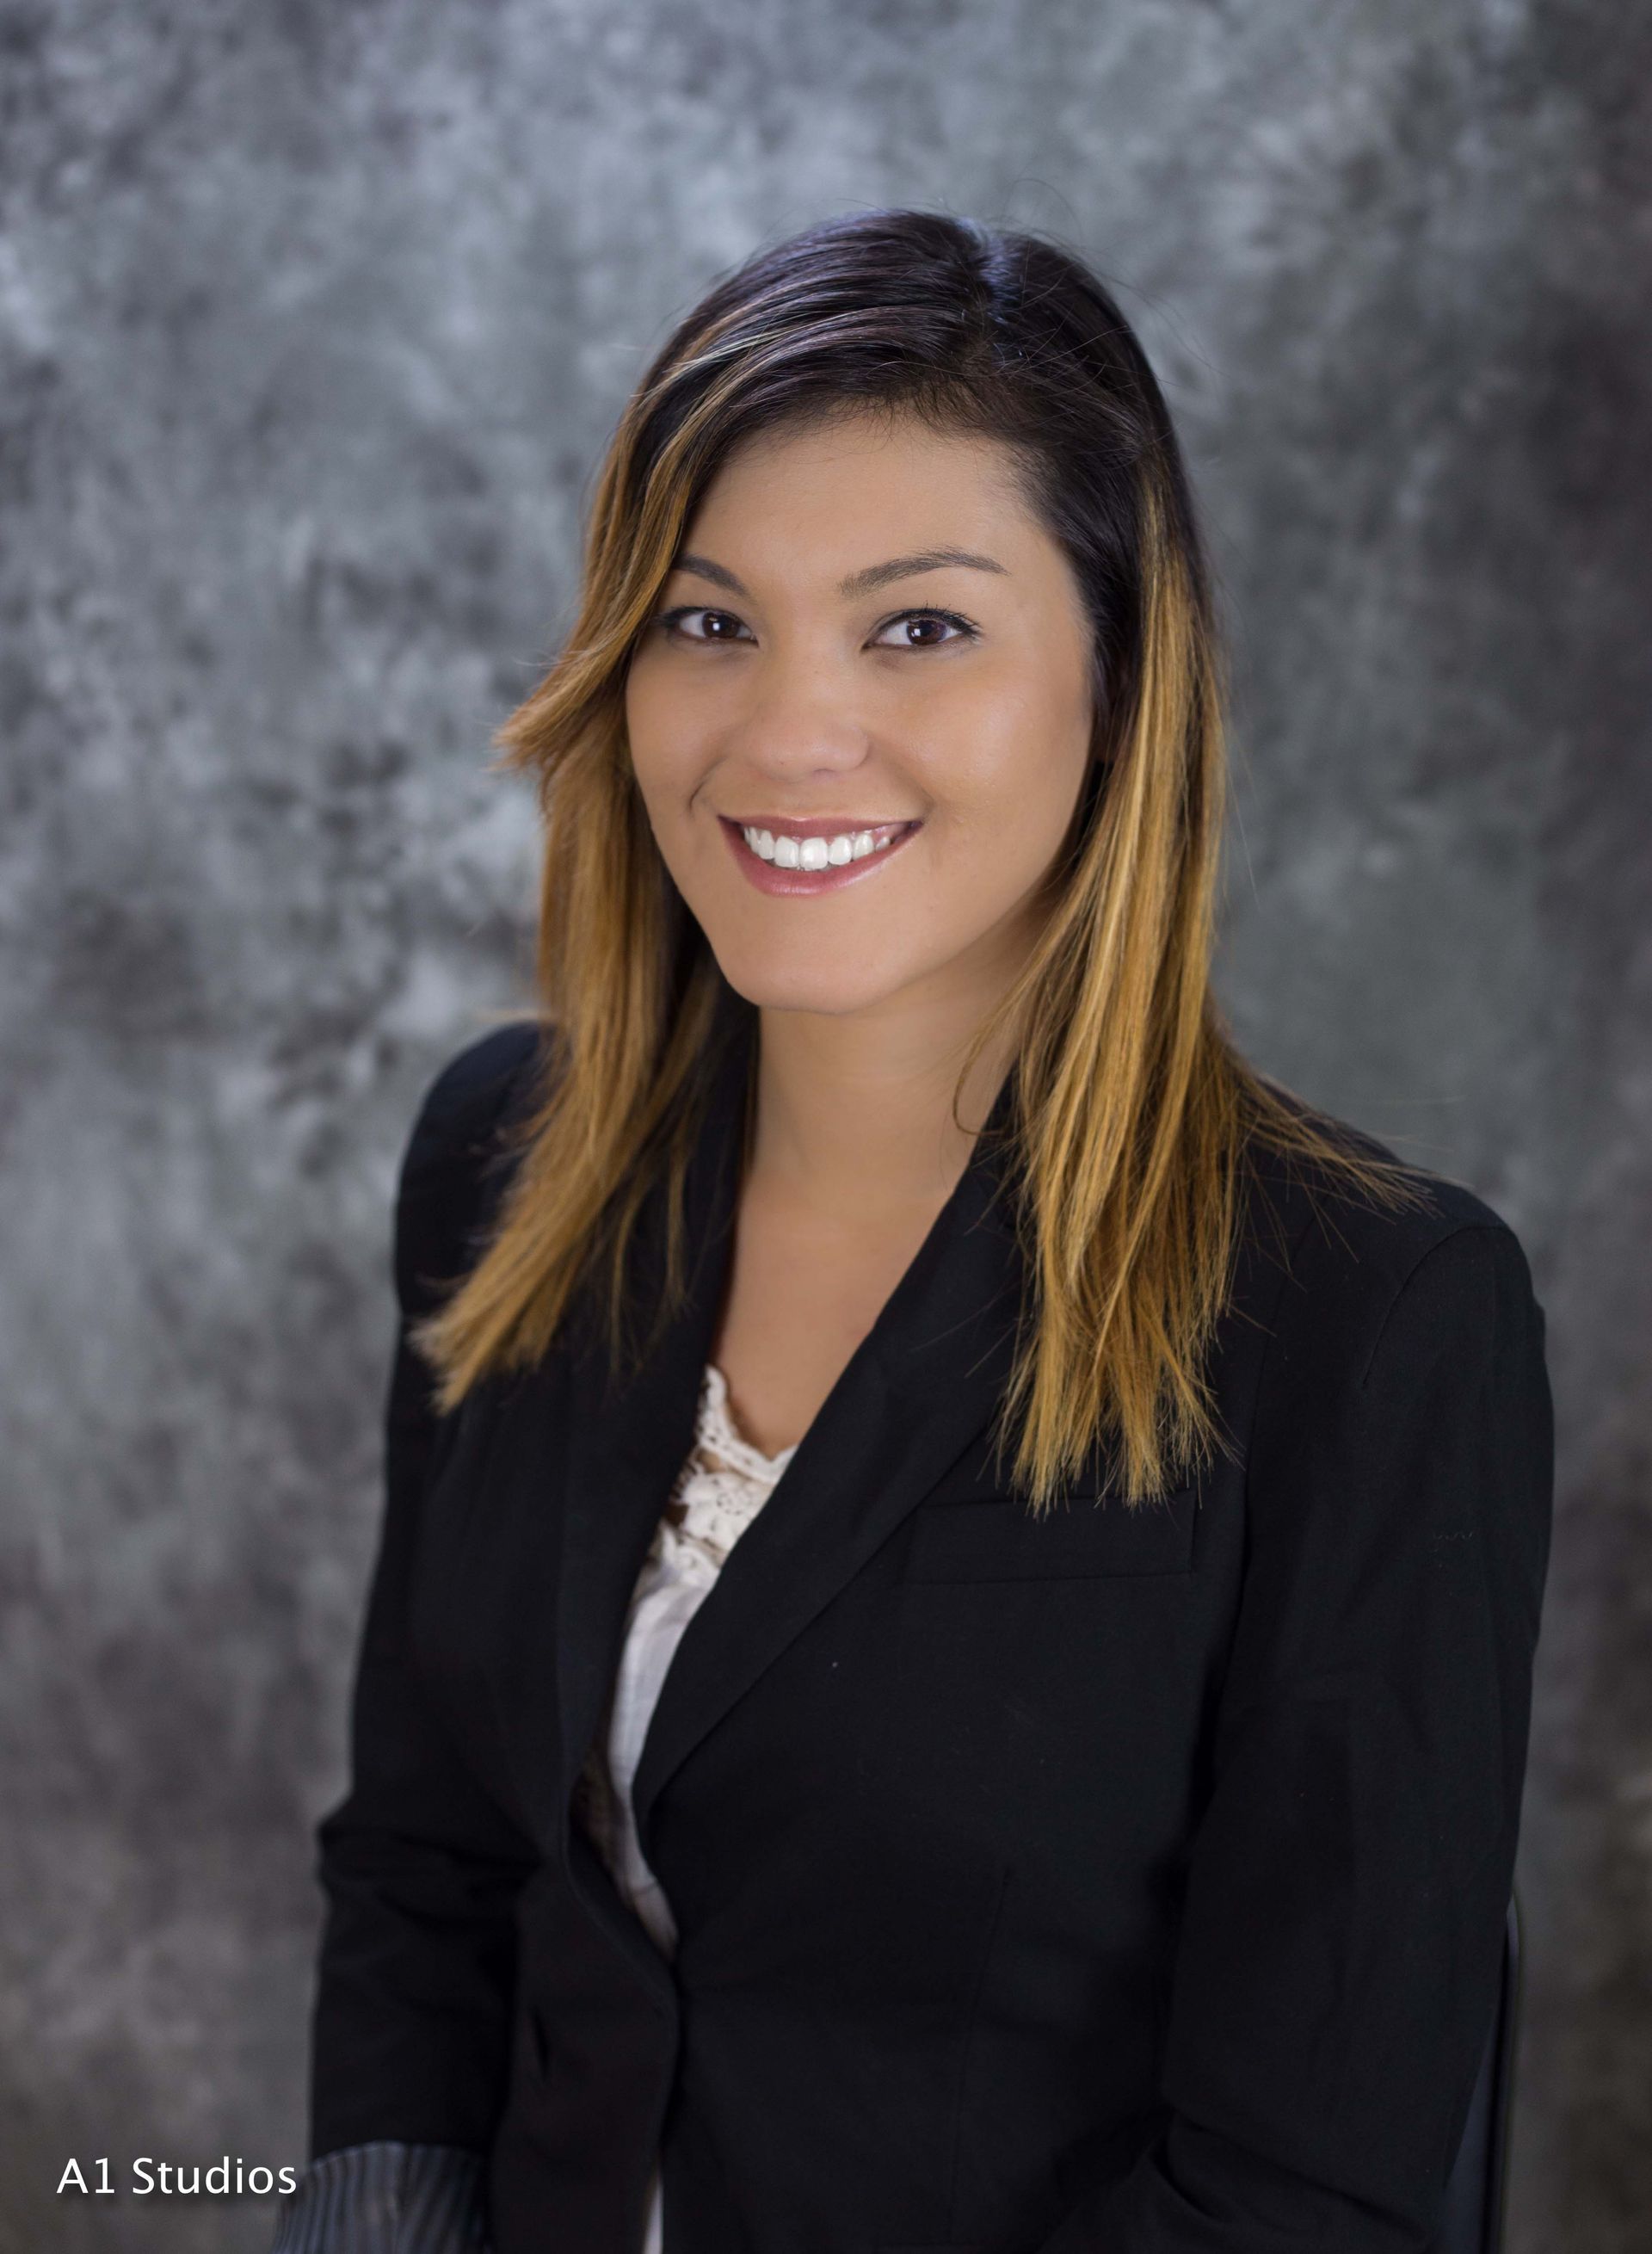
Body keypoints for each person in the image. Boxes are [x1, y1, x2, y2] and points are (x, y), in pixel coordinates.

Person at [268, 208, 1553, 2254]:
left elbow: (1306, 2193)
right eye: (708, 622)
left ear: (1120, 685)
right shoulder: (500, 1167)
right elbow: (430, 1867)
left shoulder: (1374, 1319)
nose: (785, 733)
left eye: (919, 626)